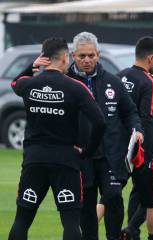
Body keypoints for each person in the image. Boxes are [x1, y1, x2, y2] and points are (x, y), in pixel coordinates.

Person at [8, 37, 105, 240]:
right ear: (64, 57)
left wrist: (31, 66)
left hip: (34, 161)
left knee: (22, 219)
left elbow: (15, 83)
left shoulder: (29, 84)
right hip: (66, 161)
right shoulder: (76, 87)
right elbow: (99, 122)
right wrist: (87, 152)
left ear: (44, 57)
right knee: (70, 222)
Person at [66, 32, 143, 240]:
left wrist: (138, 130)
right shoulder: (65, 82)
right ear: (73, 56)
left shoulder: (113, 82)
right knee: (87, 206)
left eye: (91, 55)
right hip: (81, 156)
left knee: (114, 196)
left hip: (110, 155)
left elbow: (130, 112)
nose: (87, 60)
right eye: (82, 56)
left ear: (98, 55)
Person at [121, 35, 153, 240]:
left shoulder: (123, 75)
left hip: (129, 144)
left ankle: (131, 230)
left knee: (124, 193)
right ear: (152, 56)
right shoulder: (149, 79)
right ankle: (132, 229)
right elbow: (146, 117)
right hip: (150, 144)